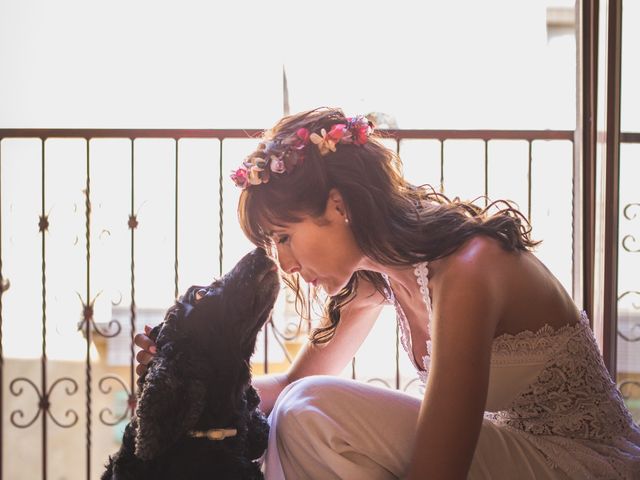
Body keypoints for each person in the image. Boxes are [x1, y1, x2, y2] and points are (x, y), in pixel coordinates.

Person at [135, 107, 640, 479]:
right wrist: (184, 372)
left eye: (283, 237)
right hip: (510, 459)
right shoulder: (377, 280)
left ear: (337, 207)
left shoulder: (469, 270)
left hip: (580, 464)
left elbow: (438, 469)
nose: (281, 262)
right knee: (301, 405)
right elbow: (292, 382)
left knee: (309, 412)